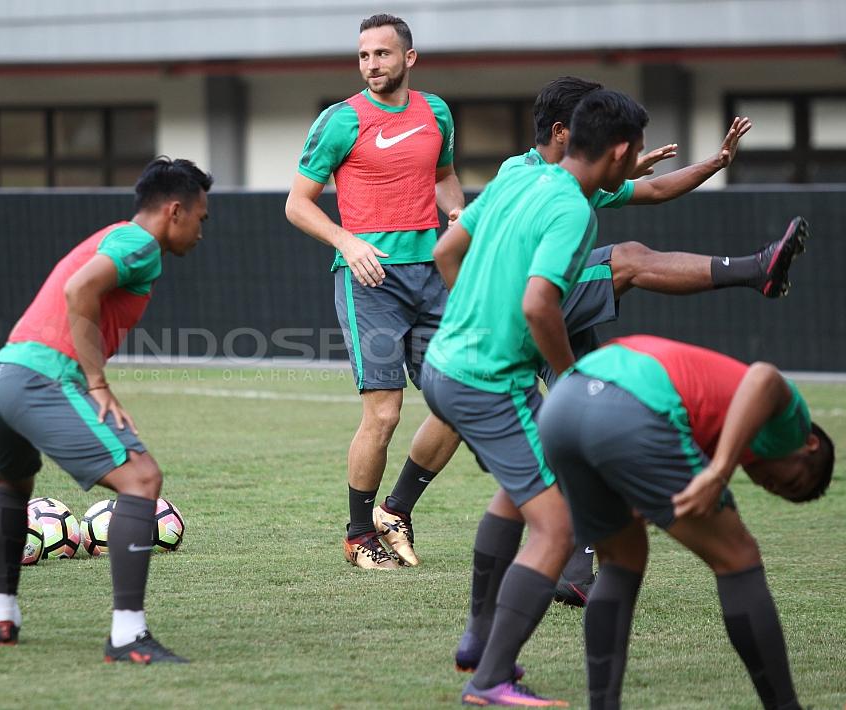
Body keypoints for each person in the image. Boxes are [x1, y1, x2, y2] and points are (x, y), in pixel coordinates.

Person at [375, 75, 808, 606]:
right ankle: (756, 269)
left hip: (524, 320)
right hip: (525, 308)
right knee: (626, 262)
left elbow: (650, 191)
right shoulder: (529, 175)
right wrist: (483, 316)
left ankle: (436, 526)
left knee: (573, 424)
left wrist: (715, 163)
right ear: (564, 132)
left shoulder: (578, 177)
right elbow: (463, 257)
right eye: (589, 122)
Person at [424, 88, 649, 706]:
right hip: (488, 382)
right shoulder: (574, 209)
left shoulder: (516, 177)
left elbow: (447, 250)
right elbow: (537, 303)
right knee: (557, 527)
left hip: (446, 368)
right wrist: (571, 377)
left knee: (512, 495)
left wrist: (472, 318)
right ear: (623, 151)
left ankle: (477, 640)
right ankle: (490, 679)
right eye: (636, 156)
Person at [0, 157, 211, 664]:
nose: (200, 230)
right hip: (40, 378)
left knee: (12, 486)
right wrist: (97, 382)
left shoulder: (115, 234)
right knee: (142, 479)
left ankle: (3, 618)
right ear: (175, 211)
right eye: (201, 218)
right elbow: (78, 289)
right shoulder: (141, 244)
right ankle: (127, 636)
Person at [538, 335, 834, 710]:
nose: (770, 485)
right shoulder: (794, 423)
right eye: (789, 481)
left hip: (564, 403)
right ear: (809, 445)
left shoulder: (721, 428)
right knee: (738, 555)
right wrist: (720, 471)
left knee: (621, 560)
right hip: (628, 405)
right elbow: (763, 376)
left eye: (777, 492)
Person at [284, 13, 465, 569]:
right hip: (371, 283)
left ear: (408, 58)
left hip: (432, 278)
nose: (371, 65)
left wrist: (457, 212)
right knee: (383, 414)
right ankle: (359, 535)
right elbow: (297, 203)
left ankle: (397, 509)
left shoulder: (436, 112)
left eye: (382, 54)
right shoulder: (341, 121)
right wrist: (348, 242)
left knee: (463, 397)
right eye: (364, 56)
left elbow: (442, 178)